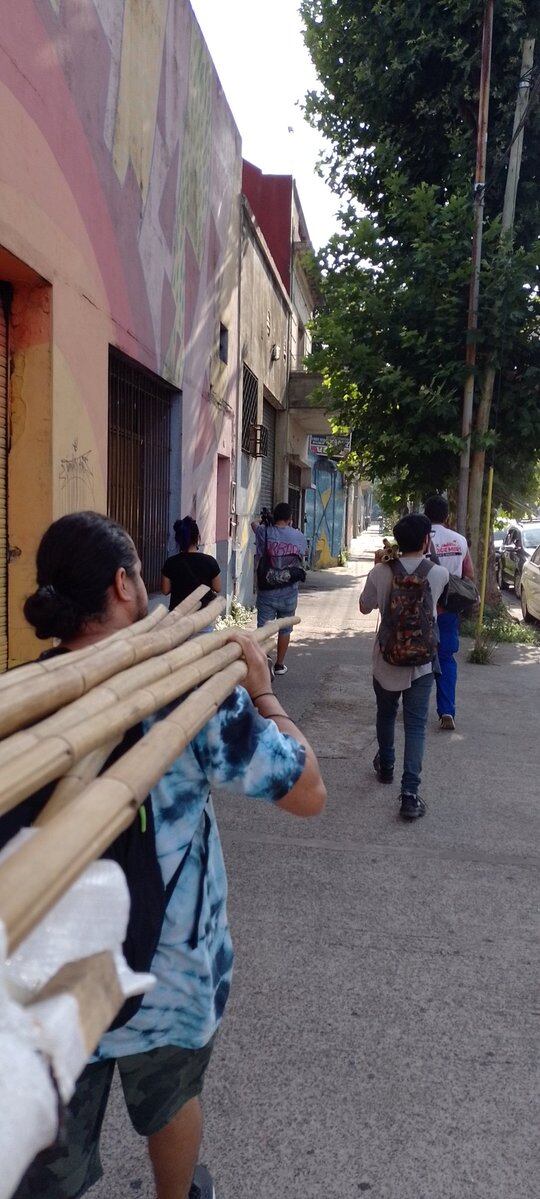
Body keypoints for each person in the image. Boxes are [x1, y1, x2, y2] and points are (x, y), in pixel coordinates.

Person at [14, 511, 326, 1199]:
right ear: (127, 586)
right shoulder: (194, 691)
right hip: (173, 978)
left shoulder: (22, 705)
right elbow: (307, 792)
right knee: (171, 1101)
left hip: (51, 986)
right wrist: (262, 691)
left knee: (46, 1155)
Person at [359, 514, 449, 822]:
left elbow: (364, 606)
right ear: (426, 540)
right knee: (415, 727)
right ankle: (409, 796)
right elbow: (441, 608)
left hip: (386, 659)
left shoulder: (381, 572)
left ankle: (386, 766)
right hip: (422, 663)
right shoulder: (438, 573)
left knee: (385, 714)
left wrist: (378, 567)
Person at [424, 494, 475, 731]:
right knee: (446, 659)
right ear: (447, 516)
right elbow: (469, 575)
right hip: (448, 610)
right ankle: (446, 711)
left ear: (426, 514)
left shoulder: (419, 537)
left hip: (422, 609)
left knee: (417, 659)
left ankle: (416, 706)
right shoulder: (459, 541)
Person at [251, 502, 307, 676]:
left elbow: (253, 523)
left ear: (275, 516)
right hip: (289, 592)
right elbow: (303, 556)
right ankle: (279, 665)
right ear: (290, 518)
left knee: (264, 628)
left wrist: (264, 520)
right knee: (285, 628)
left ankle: (264, 660)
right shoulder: (299, 536)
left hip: (267, 590)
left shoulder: (264, 532)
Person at [162, 517, 221, 611]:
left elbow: (165, 590)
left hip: (178, 615)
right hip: (203, 615)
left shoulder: (170, 562)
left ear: (178, 540)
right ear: (197, 537)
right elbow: (217, 588)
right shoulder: (210, 561)